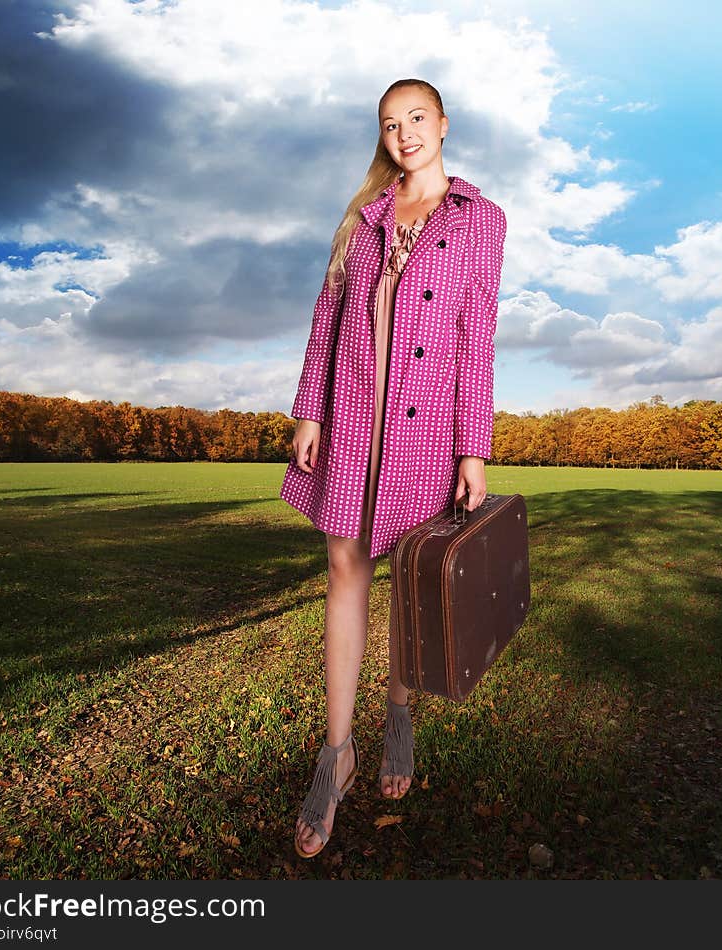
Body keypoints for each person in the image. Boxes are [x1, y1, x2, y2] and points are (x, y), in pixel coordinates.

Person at [279, 78, 508, 858]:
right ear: (381, 137)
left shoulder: (481, 221)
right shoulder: (363, 217)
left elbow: (478, 338)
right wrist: (310, 408)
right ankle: (336, 754)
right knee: (346, 571)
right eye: (390, 123)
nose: (404, 133)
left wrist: (472, 448)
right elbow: (326, 319)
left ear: (443, 123)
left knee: (411, 578)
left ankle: (398, 714)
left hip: (425, 429)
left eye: (416, 118)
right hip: (351, 417)